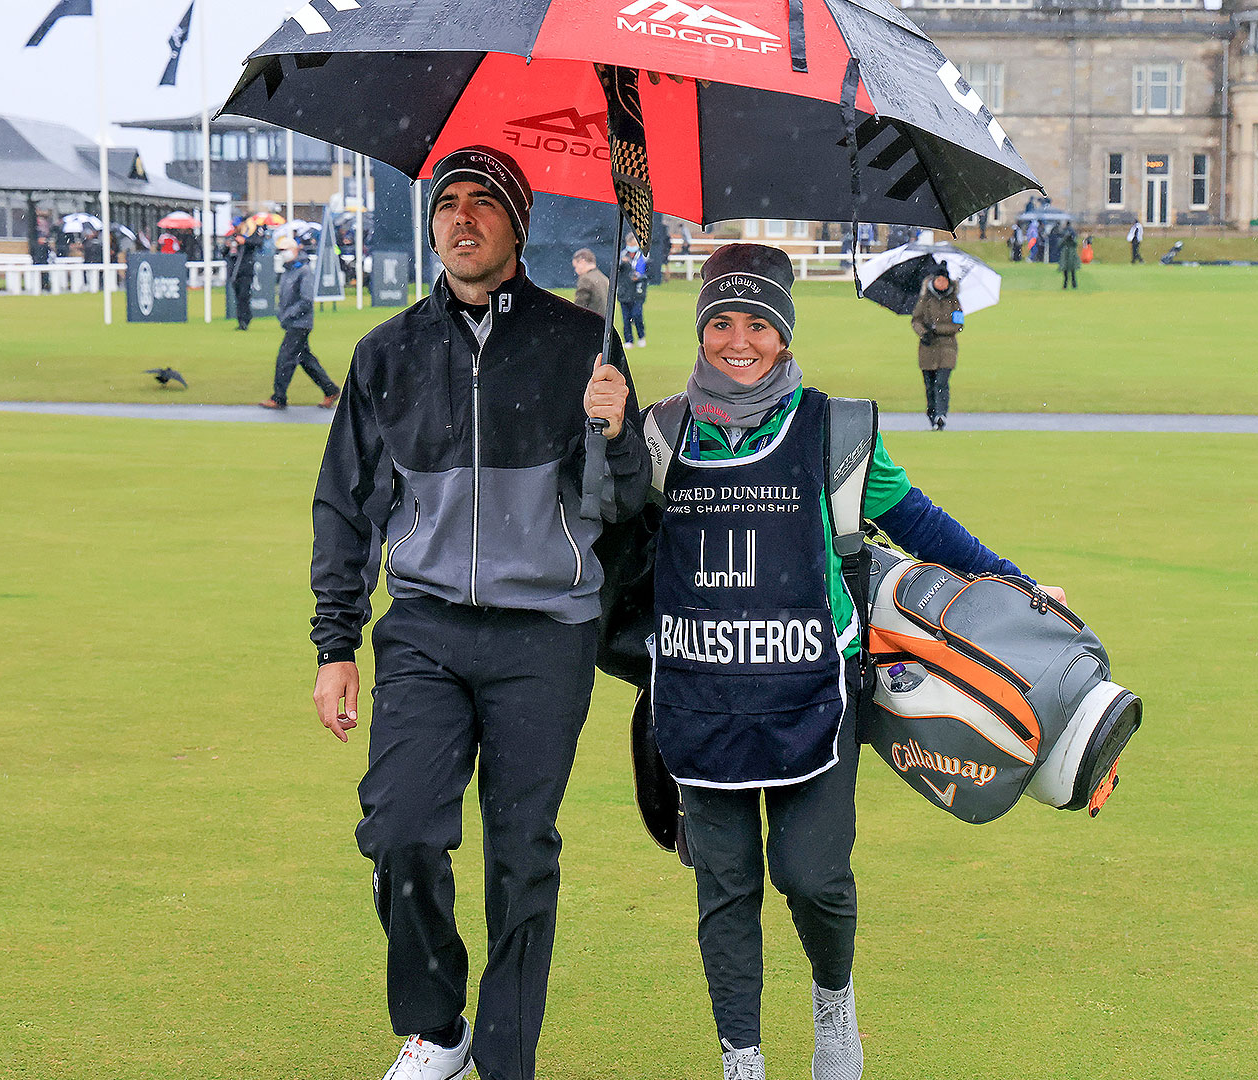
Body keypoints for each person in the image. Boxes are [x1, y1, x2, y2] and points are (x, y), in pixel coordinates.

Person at [641, 244, 1047, 1080]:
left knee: (810, 873)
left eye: (759, 324)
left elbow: (920, 523)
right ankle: (741, 1060)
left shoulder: (838, 429)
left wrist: (1014, 583)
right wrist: (600, 431)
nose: (739, 340)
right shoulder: (657, 433)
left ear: (785, 338)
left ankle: (834, 1006)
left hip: (815, 693)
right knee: (725, 887)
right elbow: (610, 535)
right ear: (703, 331)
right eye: (723, 322)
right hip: (699, 698)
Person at [308, 145, 647, 1080]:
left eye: (484, 204)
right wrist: (337, 644)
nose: (462, 219)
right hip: (424, 627)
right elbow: (345, 504)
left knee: (519, 857)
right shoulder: (386, 354)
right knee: (403, 826)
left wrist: (615, 435)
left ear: (518, 224)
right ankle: (439, 1024)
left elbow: (627, 504)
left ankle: (503, 1058)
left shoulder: (584, 345)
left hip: (547, 632)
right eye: (448, 204)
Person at [258, 234, 339, 410]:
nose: (282, 254)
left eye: (285, 250)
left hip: (300, 324)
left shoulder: (304, 271)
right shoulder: (289, 271)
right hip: (293, 323)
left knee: (285, 359)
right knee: (305, 359)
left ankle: (279, 397)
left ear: (295, 250)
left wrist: (288, 315)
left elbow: (306, 300)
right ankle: (330, 389)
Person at [910, 265, 962, 430]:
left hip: (947, 349)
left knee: (942, 382)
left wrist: (937, 329)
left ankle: (941, 415)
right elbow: (915, 320)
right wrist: (924, 333)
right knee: (929, 384)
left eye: (944, 280)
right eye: (939, 280)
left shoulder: (954, 301)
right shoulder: (925, 300)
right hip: (927, 349)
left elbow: (958, 324)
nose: (942, 283)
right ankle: (932, 414)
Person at [229, 226, 259, 330]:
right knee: (238, 298)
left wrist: (245, 241)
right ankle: (240, 320)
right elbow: (226, 254)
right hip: (235, 273)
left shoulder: (250, 236)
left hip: (246, 273)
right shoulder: (232, 238)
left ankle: (245, 319)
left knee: (244, 297)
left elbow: (257, 243)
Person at [617, 247, 648, 349]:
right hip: (624, 293)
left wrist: (639, 277)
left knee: (637, 315)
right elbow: (616, 270)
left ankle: (641, 336)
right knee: (626, 318)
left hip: (637, 293)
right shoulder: (622, 255)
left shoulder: (642, 256)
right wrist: (623, 262)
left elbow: (647, 273)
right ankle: (629, 340)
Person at [572, 246, 609, 316]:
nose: (576, 270)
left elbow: (580, 306)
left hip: (590, 321)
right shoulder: (603, 278)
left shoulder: (585, 279)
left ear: (582, 262)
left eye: (576, 266)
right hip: (604, 321)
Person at [1060, 223, 1081, 290]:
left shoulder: (1065, 232)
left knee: (1067, 272)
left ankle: (1066, 285)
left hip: (1067, 256)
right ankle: (1073, 285)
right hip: (1070, 255)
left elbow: (1060, 244)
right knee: (1072, 272)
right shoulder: (1072, 232)